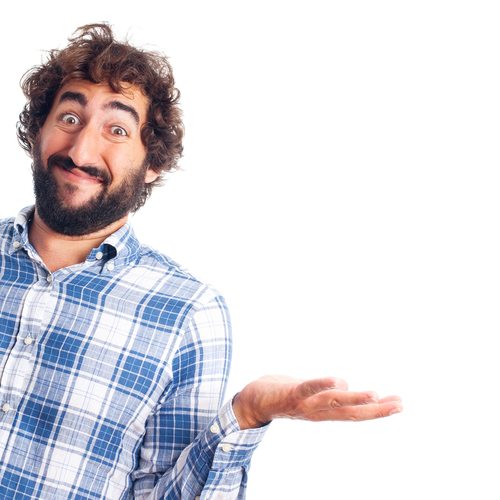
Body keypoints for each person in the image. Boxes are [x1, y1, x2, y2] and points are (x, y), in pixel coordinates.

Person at [0, 23, 402, 499]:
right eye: (69, 118)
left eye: (117, 130)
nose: (82, 149)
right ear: (38, 131)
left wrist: (245, 415)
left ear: (152, 164)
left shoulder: (189, 314)